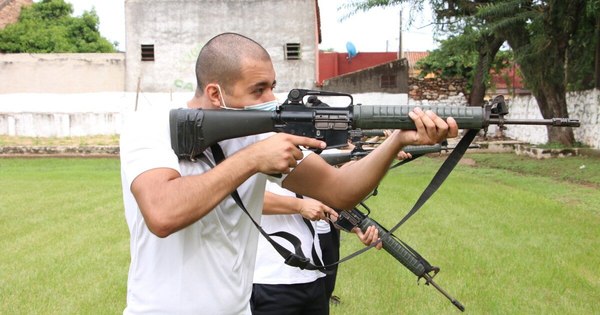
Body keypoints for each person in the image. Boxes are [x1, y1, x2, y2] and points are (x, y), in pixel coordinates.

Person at [120, 32, 458, 314]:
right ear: (215, 93)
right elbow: (162, 213)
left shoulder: (255, 133)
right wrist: (252, 159)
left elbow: (340, 190)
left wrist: (398, 137)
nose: (272, 98)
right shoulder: (150, 126)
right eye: (259, 89)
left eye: (272, 86)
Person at [251, 182, 381, 315]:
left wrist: (356, 227)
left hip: (313, 276)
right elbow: (248, 198)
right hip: (270, 279)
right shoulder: (253, 162)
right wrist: (299, 206)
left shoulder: (305, 167)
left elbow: (325, 207)